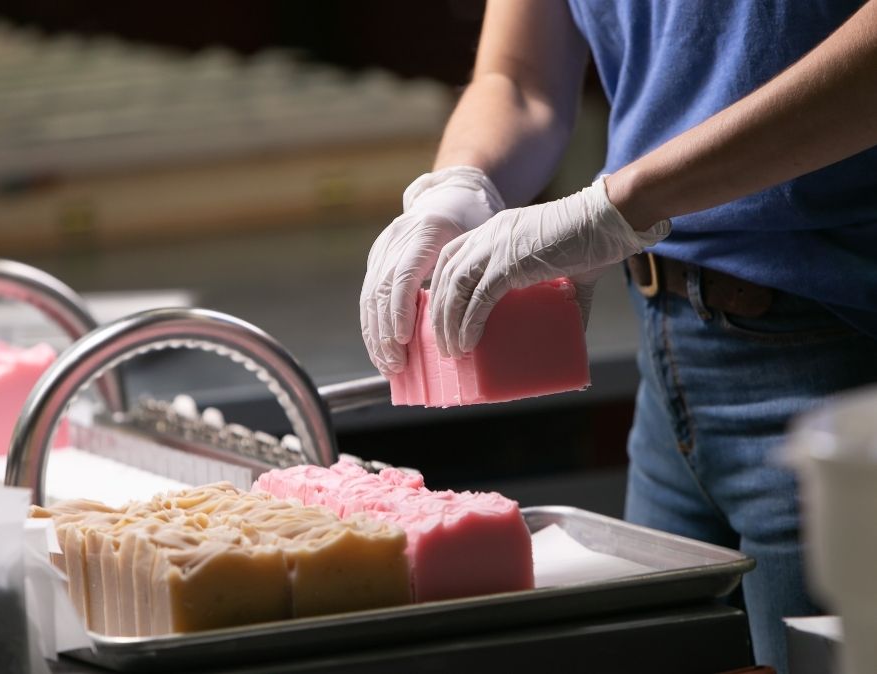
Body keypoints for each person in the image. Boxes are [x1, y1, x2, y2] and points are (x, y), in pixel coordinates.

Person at [359, 1, 877, 671]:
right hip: (665, 368)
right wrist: (460, 183)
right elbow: (519, 78)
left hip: (841, 364)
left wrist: (621, 203)